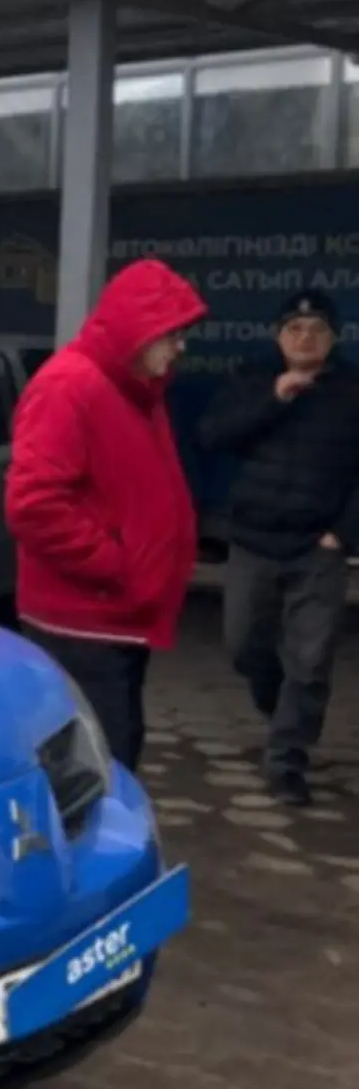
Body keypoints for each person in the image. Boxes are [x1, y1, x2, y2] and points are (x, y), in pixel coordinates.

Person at [5, 258, 208, 771]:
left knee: (115, 751)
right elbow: (34, 505)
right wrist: (116, 566)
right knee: (99, 765)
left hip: (113, 616)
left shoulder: (135, 390)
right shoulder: (70, 386)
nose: (180, 347)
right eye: (172, 334)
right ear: (140, 330)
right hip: (83, 620)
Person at [199, 288, 359, 806]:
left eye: (317, 331)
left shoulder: (351, 391)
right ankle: (281, 715)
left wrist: (343, 533)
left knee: (309, 661)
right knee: (246, 647)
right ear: (277, 336)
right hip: (254, 541)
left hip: (317, 547)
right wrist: (276, 397)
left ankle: (288, 759)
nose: (305, 338)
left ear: (334, 338)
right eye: (294, 329)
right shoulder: (253, 379)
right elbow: (213, 435)